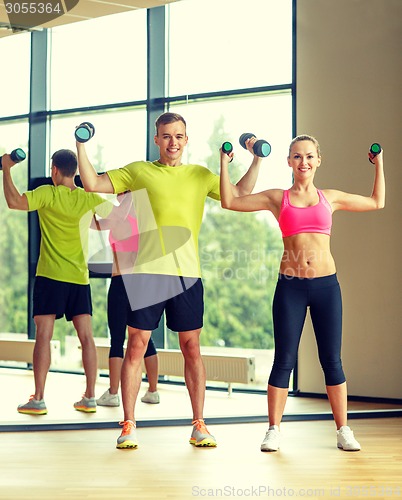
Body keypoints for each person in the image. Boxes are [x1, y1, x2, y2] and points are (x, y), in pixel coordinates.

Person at [76, 112, 263, 449]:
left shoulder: (200, 175)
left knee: (192, 348)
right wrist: (81, 145)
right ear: (156, 139)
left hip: (187, 275)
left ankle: (199, 424)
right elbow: (93, 184)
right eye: (166, 136)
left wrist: (256, 160)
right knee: (136, 346)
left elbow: (238, 195)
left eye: (178, 136)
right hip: (147, 274)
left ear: (186, 140)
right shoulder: (139, 171)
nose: (172, 142)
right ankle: (129, 424)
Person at [219, 135, 385, 452]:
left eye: (309, 156)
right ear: (289, 161)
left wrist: (379, 165)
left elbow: (377, 201)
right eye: (297, 156)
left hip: (326, 287)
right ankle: (273, 430)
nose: (303, 162)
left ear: (318, 160)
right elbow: (230, 201)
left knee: (332, 361)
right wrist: (224, 165)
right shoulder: (276, 198)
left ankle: (343, 430)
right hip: (290, 287)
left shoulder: (330, 198)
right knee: (284, 360)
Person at [1, 149, 112, 415]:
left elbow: (15, 202)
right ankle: (90, 397)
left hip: (50, 277)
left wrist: (6, 169)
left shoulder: (47, 193)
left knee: (43, 336)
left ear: (54, 170)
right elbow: (110, 220)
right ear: (74, 171)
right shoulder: (87, 197)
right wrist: (89, 220)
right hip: (78, 279)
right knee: (86, 337)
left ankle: (38, 398)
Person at [92, 191, 160, 407]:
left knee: (117, 339)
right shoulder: (142, 220)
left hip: (122, 281)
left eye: (122, 192)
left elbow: (96, 225)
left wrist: (91, 202)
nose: (118, 195)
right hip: (142, 282)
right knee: (143, 338)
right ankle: (153, 390)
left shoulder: (118, 219)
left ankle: (113, 393)